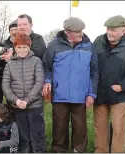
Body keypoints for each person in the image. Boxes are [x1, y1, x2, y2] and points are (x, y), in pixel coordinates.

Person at [42, 17, 98, 153]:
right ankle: (59, 150)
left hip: (81, 95)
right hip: (59, 95)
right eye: (77, 31)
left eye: (81, 31)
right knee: (59, 127)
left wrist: (92, 93)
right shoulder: (54, 45)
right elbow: (46, 66)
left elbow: (94, 71)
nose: (81, 34)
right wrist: (48, 81)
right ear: (67, 32)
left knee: (80, 127)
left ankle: (78, 150)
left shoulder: (89, 45)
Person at [92, 15, 125, 153]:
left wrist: (123, 86)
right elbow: (91, 66)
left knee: (118, 129)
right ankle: (100, 151)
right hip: (100, 94)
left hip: (120, 96)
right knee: (100, 128)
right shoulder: (98, 41)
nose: (110, 33)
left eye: (113, 30)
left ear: (123, 30)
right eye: (108, 29)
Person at [2, 34, 45, 153]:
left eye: (24, 47)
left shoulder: (36, 61)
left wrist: (27, 100)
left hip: (34, 105)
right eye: (19, 47)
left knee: (37, 134)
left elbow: (39, 82)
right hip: (17, 106)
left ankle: (39, 151)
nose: (22, 50)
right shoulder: (10, 64)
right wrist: (16, 100)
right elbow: (6, 85)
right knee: (23, 135)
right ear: (15, 47)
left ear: (29, 47)